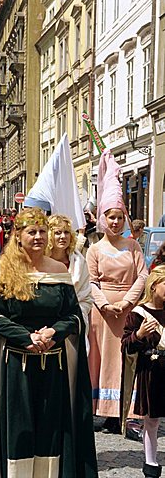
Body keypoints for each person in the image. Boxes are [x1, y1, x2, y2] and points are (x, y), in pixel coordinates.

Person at [0, 207, 98, 478]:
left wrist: (54, 333)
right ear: (18, 235)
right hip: (15, 368)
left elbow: (73, 315)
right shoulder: (4, 269)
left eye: (42, 231)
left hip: (54, 367)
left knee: (51, 430)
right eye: (32, 232)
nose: (38, 237)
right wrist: (26, 337)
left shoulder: (59, 271)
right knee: (19, 432)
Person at [86, 150, 148, 434]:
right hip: (103, 315)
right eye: (110, 217)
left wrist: (126, 302)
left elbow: (143, 275)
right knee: (102, 359)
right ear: (103, 218)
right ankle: (103, 409)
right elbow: (91, 281)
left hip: (127, 312)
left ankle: (125, 411)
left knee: (126, 358)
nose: (115, 222)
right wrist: (105, 305)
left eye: (119, 218)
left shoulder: (133, 247)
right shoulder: (95, 249)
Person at [121, 266, 165, 478]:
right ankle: (151, 463)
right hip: (152, 370)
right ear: (154, 286)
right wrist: (139, 334)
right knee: (152, 420)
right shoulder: (138, 314)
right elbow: (126, 346)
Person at [48, 214, 93, 354]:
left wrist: (73, 317)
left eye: (66, 232)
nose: (63, 237)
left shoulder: (79, 262)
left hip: (72, 327)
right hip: (46, 326)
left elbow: (86, 297)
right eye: (58, 232)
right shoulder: (40, 262)